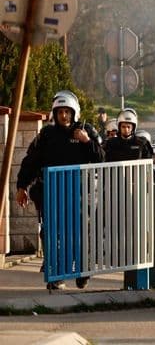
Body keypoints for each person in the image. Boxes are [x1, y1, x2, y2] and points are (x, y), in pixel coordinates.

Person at [16, 91, 102, 290]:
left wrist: (86, 141)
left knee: (78, 234)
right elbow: (30, 162)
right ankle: (56, 274)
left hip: (79, 194)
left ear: (75, 113)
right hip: (52, 194)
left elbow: (101, 158)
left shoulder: (85, 130)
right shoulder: (46, 135)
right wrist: (22, 187)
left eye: (67, 112)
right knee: (50, 233)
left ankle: (82, 270)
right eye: (60, 112)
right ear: (54, 114)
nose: (64, 116)